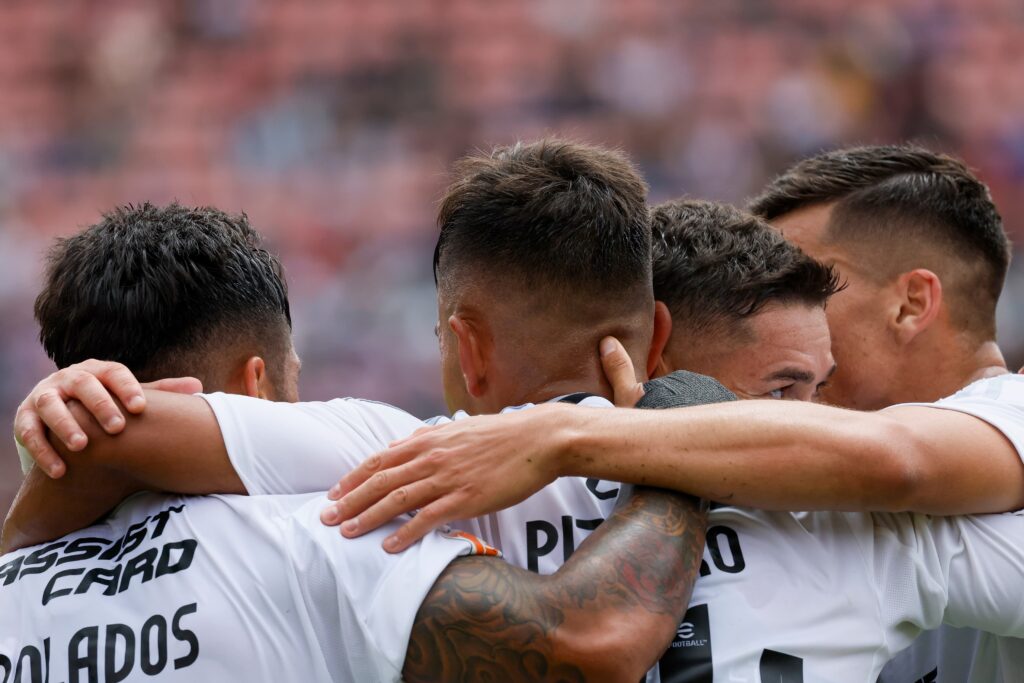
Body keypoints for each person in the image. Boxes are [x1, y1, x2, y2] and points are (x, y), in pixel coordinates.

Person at [14, 158, 1024, 679]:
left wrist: (59, 420)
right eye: (794, 381)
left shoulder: (409, 459)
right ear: (655, 339)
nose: (827, 382)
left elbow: (114, 435)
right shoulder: (888, 532)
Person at [0, 198, 705, 682]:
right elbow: (590, 643)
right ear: (257, 387)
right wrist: (677, 442)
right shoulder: (322, 530)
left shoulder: (10, 587)